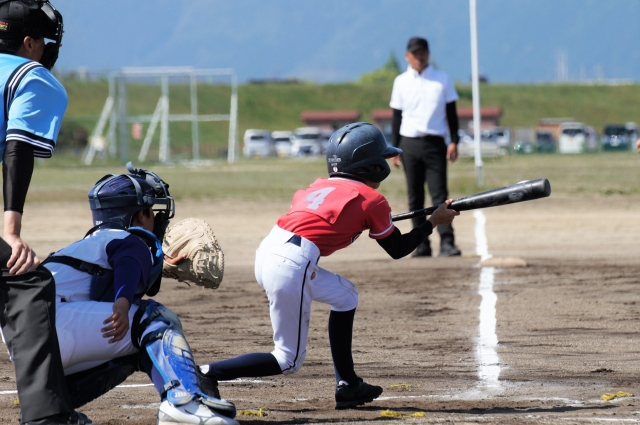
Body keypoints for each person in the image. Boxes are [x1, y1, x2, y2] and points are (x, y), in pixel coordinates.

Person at [200, 123, 459, 409]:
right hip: (291, 263)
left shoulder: (319, 185)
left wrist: (373, 220)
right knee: (288, 360)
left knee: (346, 295)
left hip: (270, 253)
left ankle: (348, 385)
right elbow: (398, 249)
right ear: (371, 166)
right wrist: (433, 222)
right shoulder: (373, 200)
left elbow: (334, 217)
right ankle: (208, 373)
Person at [42, 164, 238, 425]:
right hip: (58, 325)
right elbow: (127, 262)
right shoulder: (131, 242)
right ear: (138, 216)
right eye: (153, 212)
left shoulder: (84, 246)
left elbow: (108, 275)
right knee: (155, 319)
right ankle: (184, 403)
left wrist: (156, 266)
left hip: (29, 339)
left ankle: (50, 410)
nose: (157, 220)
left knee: (135, 347)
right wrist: (123, 302)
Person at [0, 1, 86, 424]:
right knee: (26, 280)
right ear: (29, 42)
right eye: (45, 42)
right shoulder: (29, 74)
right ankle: (47, 417)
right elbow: (18, 147)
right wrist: (11, 230)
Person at [389, 36, 462, 258]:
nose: (419, 57)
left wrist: (454, 140)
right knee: (415, 196)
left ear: (428, 54)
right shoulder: (400, 81)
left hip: (435, 142)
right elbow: (396, 117)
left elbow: (451, 113)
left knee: (440, 194)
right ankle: (421, 244)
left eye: (422, 53)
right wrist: (394, 148)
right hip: (409, 143)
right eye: (414, 54)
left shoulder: (442, 79)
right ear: (407, 56)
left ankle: (447, 242)